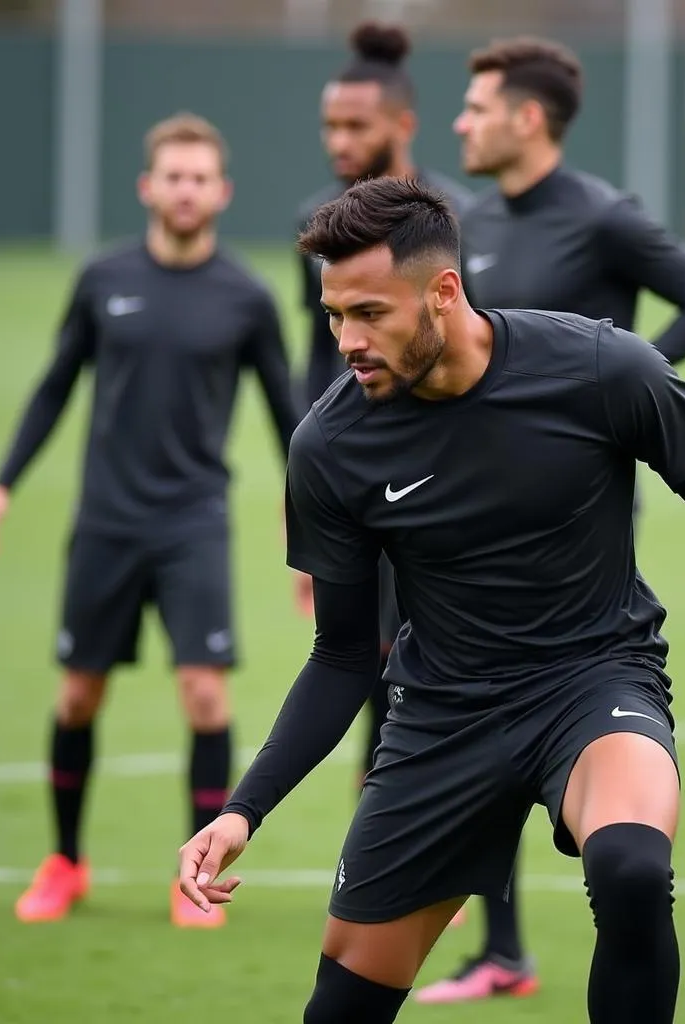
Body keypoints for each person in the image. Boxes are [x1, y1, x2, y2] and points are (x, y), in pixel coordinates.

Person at [177, 178, 685, 1024]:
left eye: (369, 313)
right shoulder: (331, 444)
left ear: (444, 290)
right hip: (442, 719)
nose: (347, 341)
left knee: (633, 872)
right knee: (341, 1011)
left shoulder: (601, 369)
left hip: (595, 685)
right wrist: (242, 810)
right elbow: (344, 655)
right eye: (332, 316)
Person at [415, 35, 685, 1001]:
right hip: (452, 518)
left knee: (543, 691)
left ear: (528, 116)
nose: (461, 123)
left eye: (476, 107)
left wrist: (621, 404)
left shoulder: (602, 218)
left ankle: (517, 940)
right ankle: (501, 949)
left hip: (570, 526)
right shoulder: (469, 221)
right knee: (456, 699)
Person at [0, 113, 300, 929]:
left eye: (199, 177)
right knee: (79, 696)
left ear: (221, 191)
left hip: (194, 523)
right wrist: (1, 483)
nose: (185, 190)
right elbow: (54, 385)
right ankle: (65, 862)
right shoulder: (101, 277)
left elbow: (292, 422)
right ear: (148, 187)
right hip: (107, 522)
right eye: (172, 176)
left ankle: (198, 880)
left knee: (205, 699)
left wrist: (317, 540)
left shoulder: (247, 297)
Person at [295, 20, 473, 793]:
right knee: (353, 658)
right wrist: (299, 496)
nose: (339, 139)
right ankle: (379, 850)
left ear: (402, 124)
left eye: (355, 124)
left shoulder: (452, 220)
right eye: (330, 124)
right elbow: (314, 366)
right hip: (357, 477)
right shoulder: (323, 227)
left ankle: (435, 847)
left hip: (442, 483)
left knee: (428, 662)